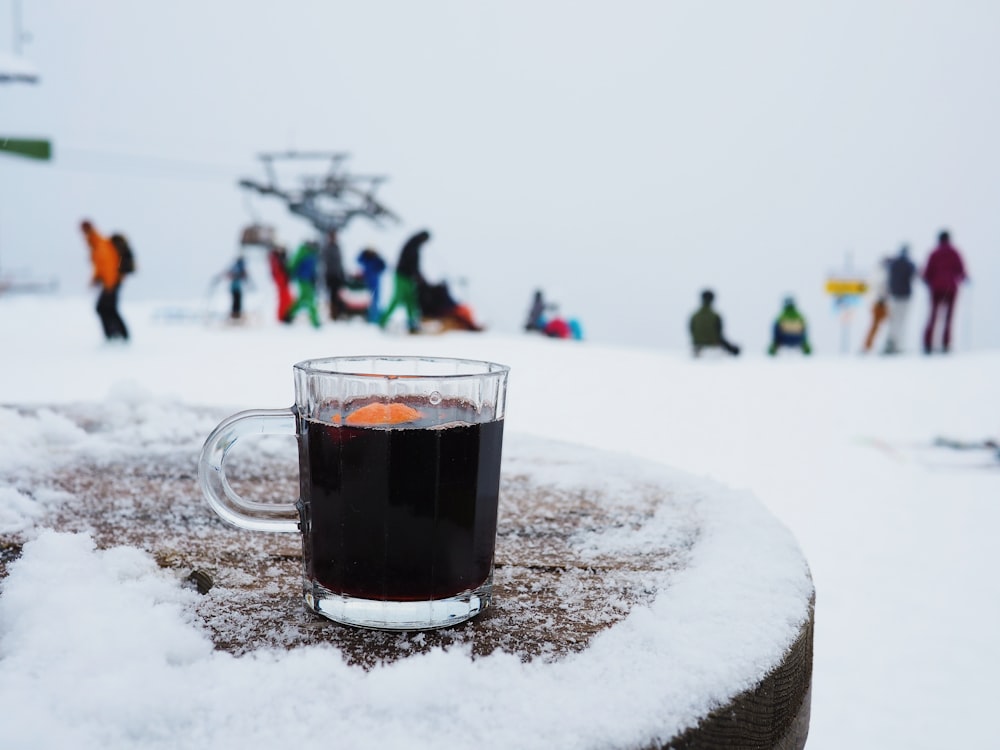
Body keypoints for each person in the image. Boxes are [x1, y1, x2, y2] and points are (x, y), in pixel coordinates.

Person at [80, 219, 129, 341]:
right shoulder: (95, 244)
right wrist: (95, 279)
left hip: (112, 282)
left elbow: (109, 266)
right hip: (110, 282)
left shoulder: (100, 244)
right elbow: (99, 267)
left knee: (103, 308)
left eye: (85, 230)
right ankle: (116, 335)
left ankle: (119, 336)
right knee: (107, 308)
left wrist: (109, 285)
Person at [921, 230, 968, 354]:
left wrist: (927, 281)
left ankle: (928, 344)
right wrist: (965, 278)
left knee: (933, 316)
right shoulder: (954, 253)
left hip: (936, 288)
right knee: (949, 317)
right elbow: (961, 270)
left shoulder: (934, 253)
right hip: (951, 288)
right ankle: (945, 344)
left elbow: (926, 272)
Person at [379, 230, 430, 333]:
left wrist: (417, 275)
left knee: (410, 300)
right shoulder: (413, 246)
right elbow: (411, 264)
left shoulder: (414, 244)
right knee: (397, 299)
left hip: (408, 277)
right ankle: (383, 321)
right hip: (402, 276)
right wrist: (417, 275)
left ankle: (412, 323)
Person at [884, 244, 916, 354]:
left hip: (895, 295)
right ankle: (898, 345)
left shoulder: (893, 264)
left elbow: (888, 278)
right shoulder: (909, 264)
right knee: (902, 321)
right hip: (905, 296)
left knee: (894, 320)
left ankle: (891, 342)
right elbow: (915, 275)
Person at [689, 289, 740, 356]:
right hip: (713, 349)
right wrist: (731, 348)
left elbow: (691, 330)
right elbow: (719, 336)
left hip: (697, 347)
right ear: (712, 300)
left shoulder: (694, 316)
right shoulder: (715, 316)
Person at [284, 241, 321, 328]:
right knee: (310, 300)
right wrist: (290, 273)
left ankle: (288, 315)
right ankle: (315, 322)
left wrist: (314, 278)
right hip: (303, 279)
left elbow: (312, 268)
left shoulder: (313, 254)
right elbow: (293, 263)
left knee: (303, 299)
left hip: (309, 280)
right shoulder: (303, 252)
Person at [321, 229, 348, 321]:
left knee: (340, 295)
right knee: (332, 295)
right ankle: (333, 314)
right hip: (330, 275)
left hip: (338, 275)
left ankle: (340, 313)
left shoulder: (337, 247)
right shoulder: (326, 248)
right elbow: (324, 262)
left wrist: (342, 274)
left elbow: (340, 263)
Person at [356, 247, 387, 323]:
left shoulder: (376, 260)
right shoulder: (366, 259)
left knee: (375, 300)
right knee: (367, 300)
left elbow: (384, 266)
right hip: (367, 282)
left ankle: (375, 317)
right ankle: (369, 316)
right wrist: (364, 252)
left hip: (375, 282)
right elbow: (358, 259)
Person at [216, 255, 251, 320]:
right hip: (235, 288)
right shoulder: (236, 267)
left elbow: (243, 276)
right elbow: (231, 274)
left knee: (237, 301)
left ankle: (236, 315)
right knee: (236, 301)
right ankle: (235, 315)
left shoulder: (239, 268)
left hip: (237, 288)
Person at [267, 245, 294, 323]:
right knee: (284, 299)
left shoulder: (280, 257)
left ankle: (286, 315)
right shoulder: (276, 258)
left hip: (283, 280)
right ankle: (282, 316)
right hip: (281, 281)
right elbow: (278, 271)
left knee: (288, 298)